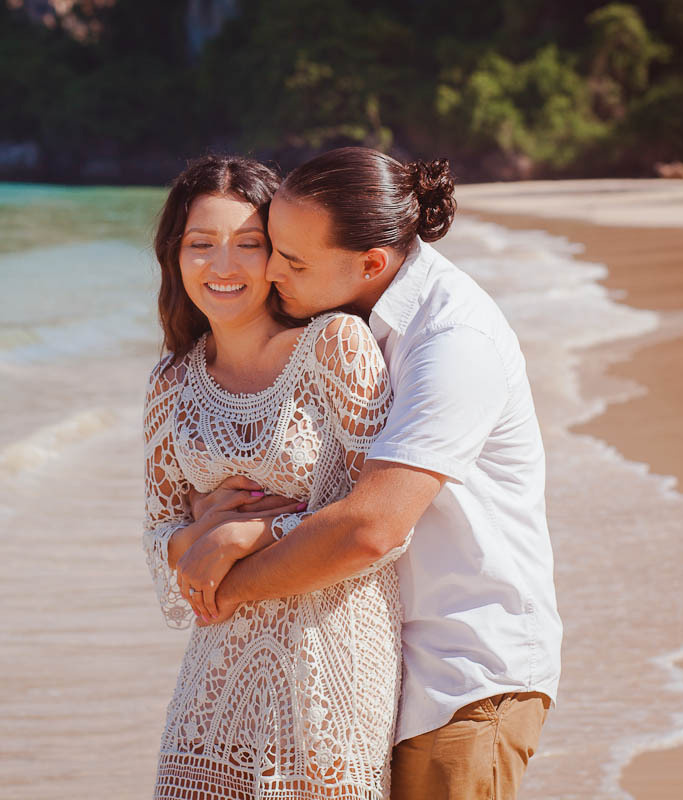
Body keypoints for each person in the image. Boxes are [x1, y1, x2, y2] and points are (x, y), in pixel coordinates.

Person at [191, 147, 563, 800]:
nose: (271, 271)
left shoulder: (452, 341)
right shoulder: (338, 325)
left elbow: (373, 528)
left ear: (371, 263)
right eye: (272, 247)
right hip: (368, 673)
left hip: (462, 679)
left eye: (294, 262)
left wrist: (230, 584)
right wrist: (218, 508)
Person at [140, 154, 411, 800]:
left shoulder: (336, 347)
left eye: (248, 244)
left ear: (278, 255)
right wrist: (203, 532)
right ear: (175, 256)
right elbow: (160, 538)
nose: (223, 265)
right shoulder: (170, 383)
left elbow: (381, 526)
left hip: (332, 665)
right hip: (214, 681)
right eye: (200, 244)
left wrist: (248, 533)